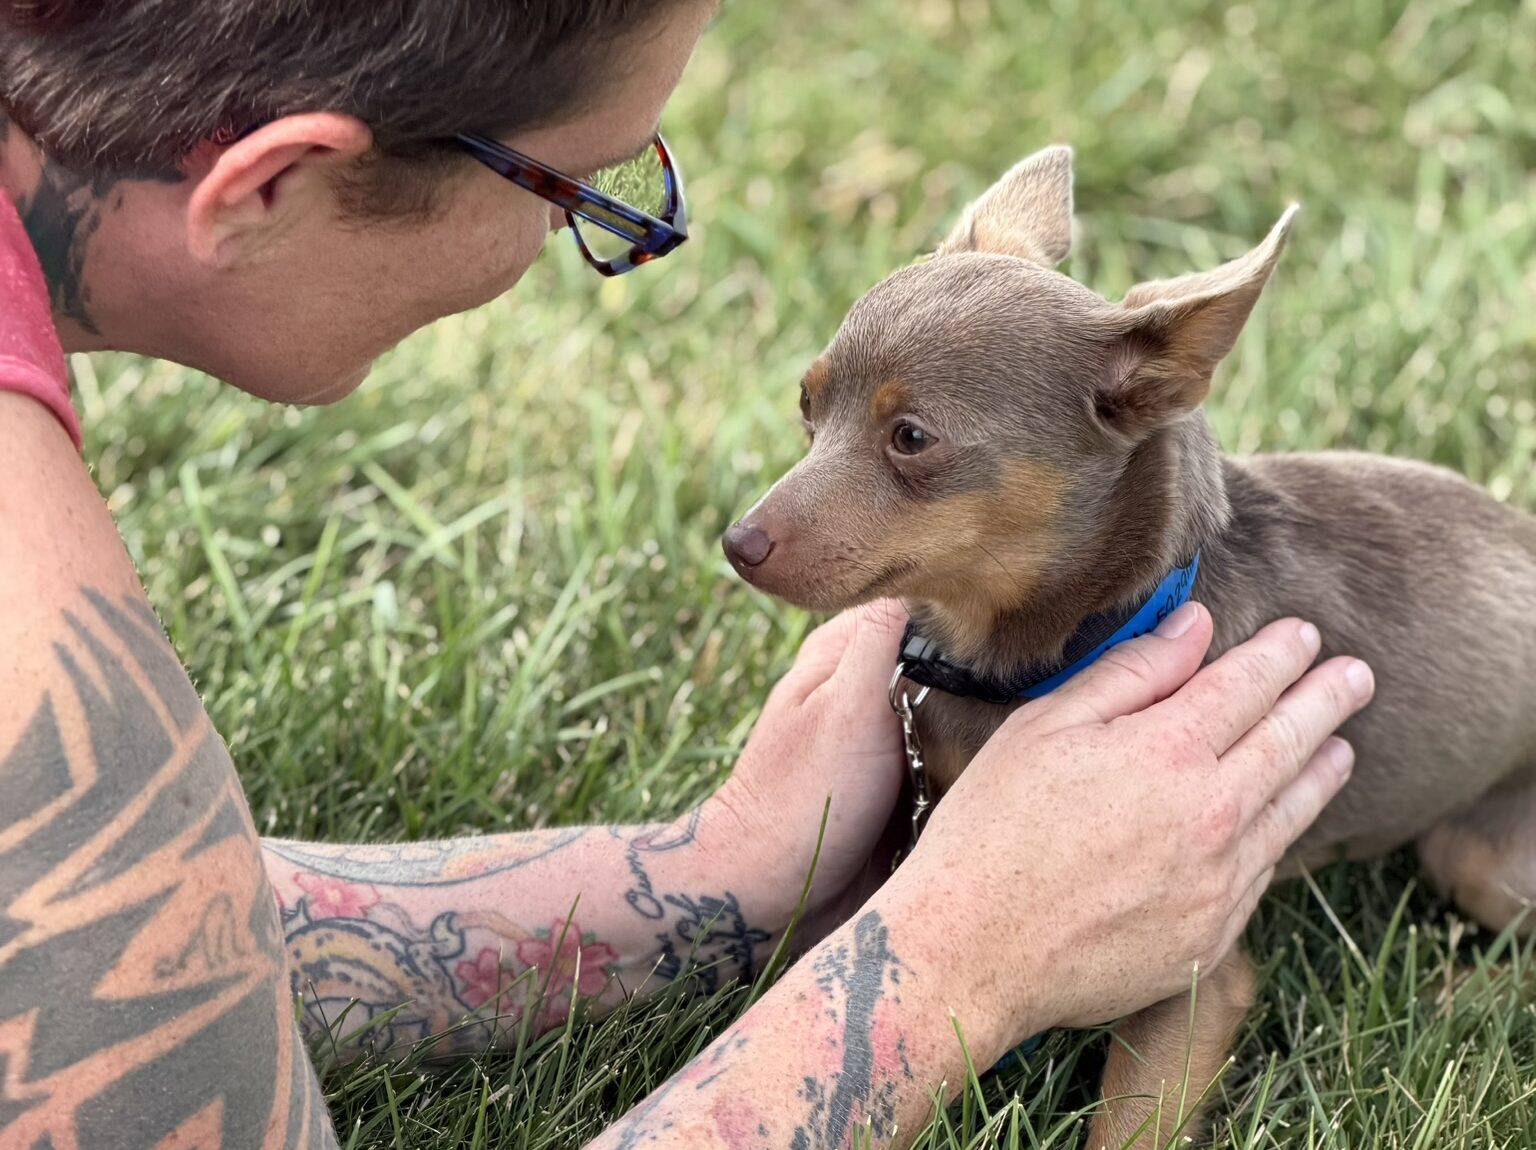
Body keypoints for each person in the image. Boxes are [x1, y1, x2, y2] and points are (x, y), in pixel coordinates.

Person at [0, 2, 1375, 1146]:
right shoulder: (37, 649)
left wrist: (710, 875)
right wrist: (956, 958)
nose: (588, 240)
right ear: (272, 182)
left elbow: (145, 921)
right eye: (574, 190)